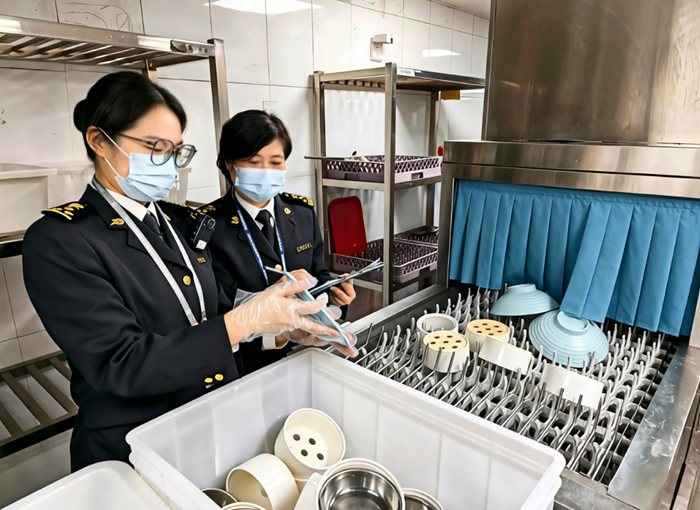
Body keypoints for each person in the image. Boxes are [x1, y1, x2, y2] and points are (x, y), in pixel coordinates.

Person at [22, 72, 352, 472]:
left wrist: (279, 330)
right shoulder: (61, 240)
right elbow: (121, 362)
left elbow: (212, 312)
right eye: (154, 147)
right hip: (134, 445)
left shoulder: (179, 222)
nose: (168, 163)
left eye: (176, 150)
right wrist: (243, 322)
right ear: (99, 141)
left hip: (211, 417)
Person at [191, 110, 357, 373]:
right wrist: (277, 336)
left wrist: (335, 296)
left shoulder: (302, 213)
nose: (266, 171)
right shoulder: (206, 227)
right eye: (253, 162)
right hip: (244, 365)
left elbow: (318, 275)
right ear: (230, 164)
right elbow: (215, 311)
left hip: (307, 352)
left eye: (276, 162)